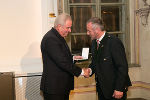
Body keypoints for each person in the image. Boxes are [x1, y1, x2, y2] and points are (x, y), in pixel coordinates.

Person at [40, 13, 89, 100]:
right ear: (59, 26)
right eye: (68, 27)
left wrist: (73, 58)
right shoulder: (51, 39)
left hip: (60, 87)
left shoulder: (57, 36)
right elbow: (62, 62)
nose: (70, 30)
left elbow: (59, 56)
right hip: (54, 88)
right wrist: (81, 71)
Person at [86, 17, 132, 100]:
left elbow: (122, 67)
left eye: (89, 31)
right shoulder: (94, 43)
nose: (87, 33)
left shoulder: (113, 42)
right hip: (102, 89)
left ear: (96, 29)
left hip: (115, 90)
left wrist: (119, 88)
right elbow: (95, 62)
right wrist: (90, 70)